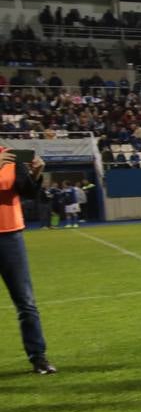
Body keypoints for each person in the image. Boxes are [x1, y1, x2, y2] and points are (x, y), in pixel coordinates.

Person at [0, 146, 56, 374]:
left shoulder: (10, 154)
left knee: (26, 302)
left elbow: (28, 192)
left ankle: (38, 357)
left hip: (11, 235)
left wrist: (35, 173)